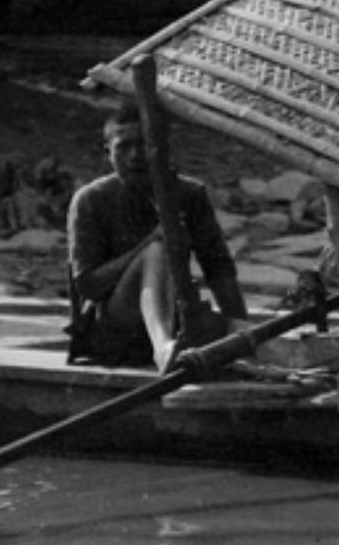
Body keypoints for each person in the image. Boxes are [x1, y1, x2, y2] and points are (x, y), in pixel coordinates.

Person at [66, 101, 252, 371]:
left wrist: (241, 334)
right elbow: (87, 285)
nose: (135, 156)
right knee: (157, 251)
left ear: (162, 148)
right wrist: (149, 244)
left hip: (178, 319)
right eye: (124, 147)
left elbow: (219, 272)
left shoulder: (189, 194)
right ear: (108, 153)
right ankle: (162, 347)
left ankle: (172, 341)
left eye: (144, 145)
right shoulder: (91, 200)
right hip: (113, 330)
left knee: (238, 332)